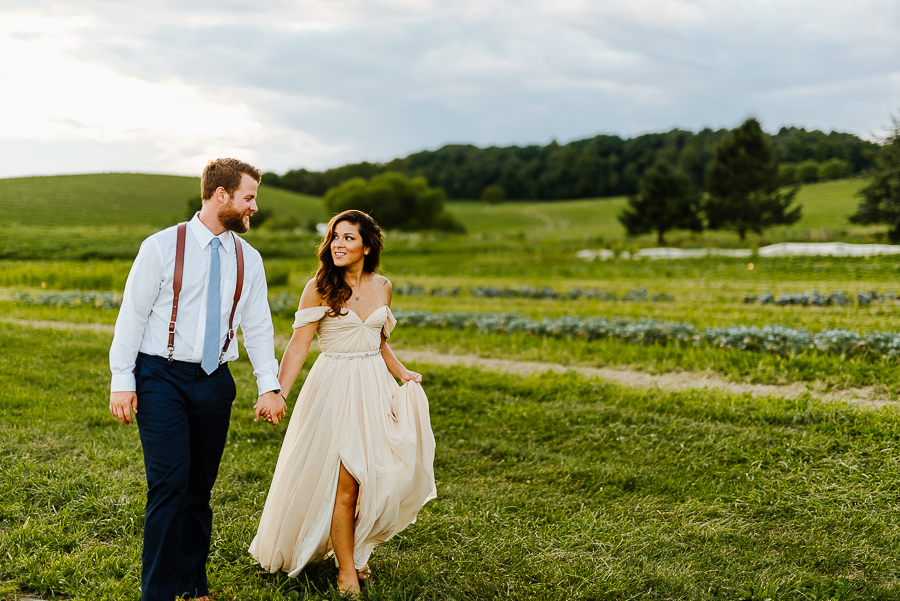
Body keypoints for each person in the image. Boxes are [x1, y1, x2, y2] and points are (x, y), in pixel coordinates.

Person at [108, 158, 287, 601]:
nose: (254, 207)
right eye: (249, 197)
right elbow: (132, 314)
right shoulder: (162, 247)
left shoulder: (249, 258)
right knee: (169, 485)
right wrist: (121, 380)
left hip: (215, 380)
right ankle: (159, 593)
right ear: (221, 195)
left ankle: (192, 584)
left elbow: (259, 325)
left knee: (198, 489)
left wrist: (269, 384)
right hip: (160, 377)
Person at [249, 210, 436, 597]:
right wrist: (277, 391)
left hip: (374, 386)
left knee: (379, 475)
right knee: (347, 482)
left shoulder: (382, 286)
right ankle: (346, 570)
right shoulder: (319, 286)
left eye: (348, 238)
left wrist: (401, 372)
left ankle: (356, 547)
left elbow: (379, 340)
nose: (338, 243)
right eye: (335, 236)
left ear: (367, 246)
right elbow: (299, 346)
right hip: (334, 387)